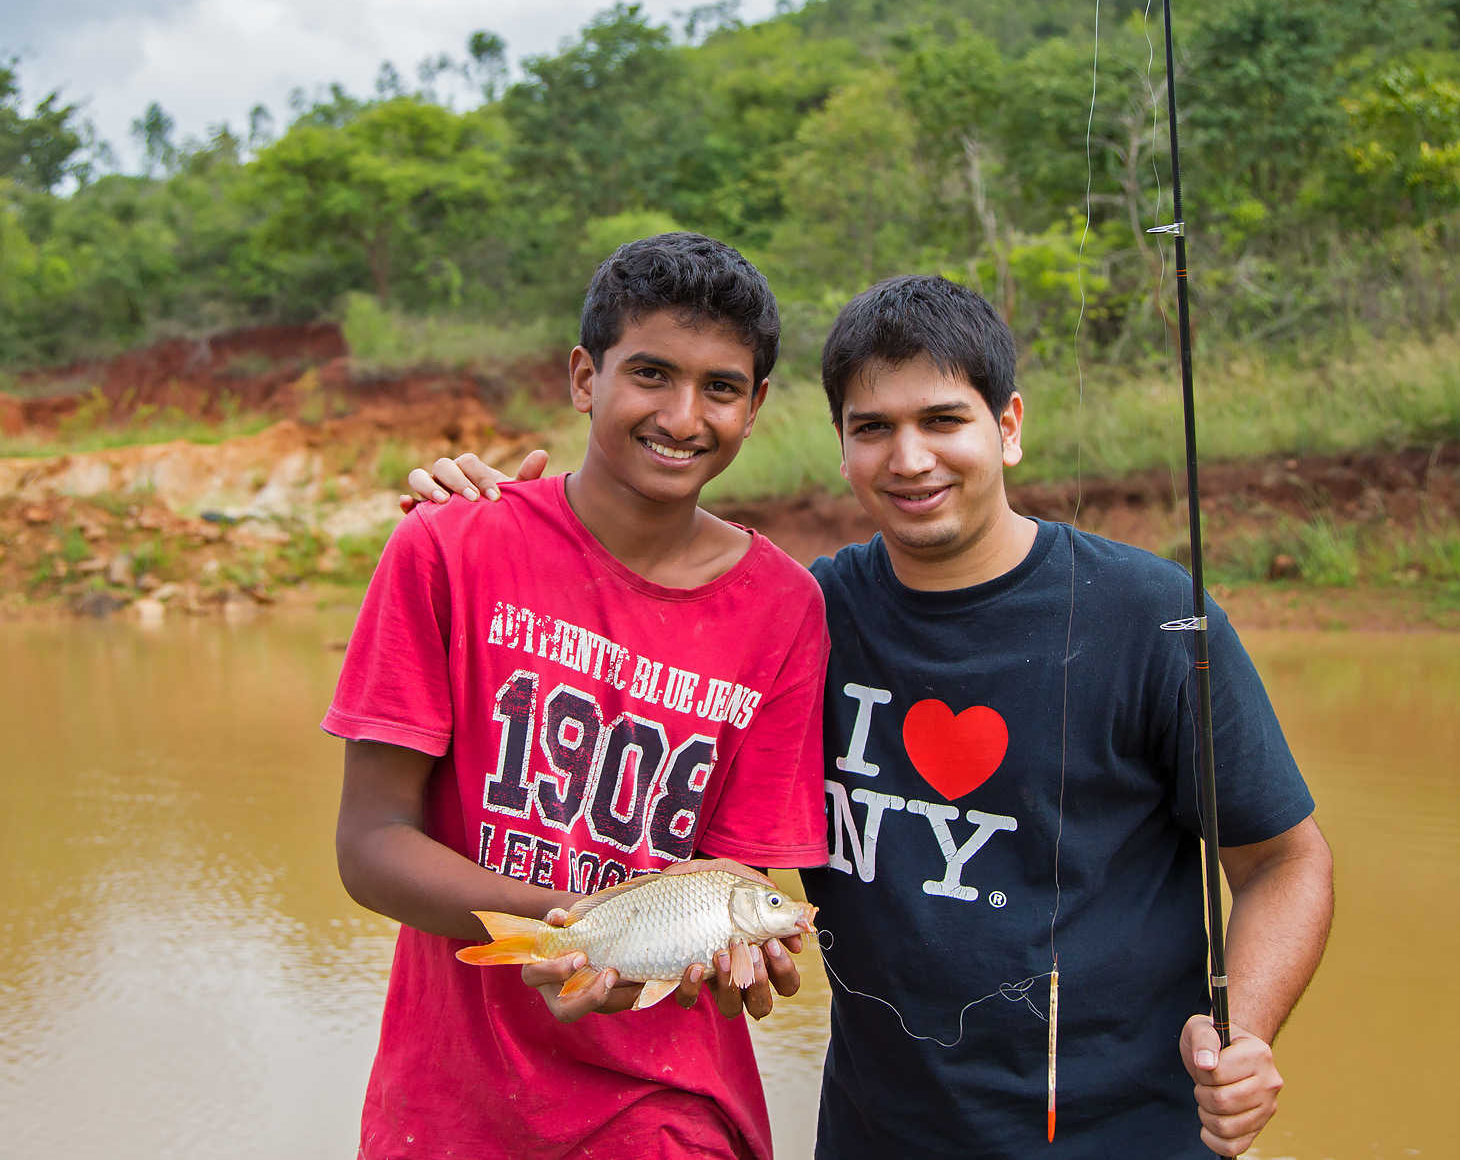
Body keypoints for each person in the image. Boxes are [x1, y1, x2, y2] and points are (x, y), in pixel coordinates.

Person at [405, 273, 1334, 1159]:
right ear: (841, 444)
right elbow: (668, 768)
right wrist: (491, 522)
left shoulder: (1154, 619)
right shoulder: (804, 618)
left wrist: (1243, 1035)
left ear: (1008, 426)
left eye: (943, 420)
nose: (911, 458)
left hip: (1123, 1135)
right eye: (873, 428)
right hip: (874, 1132)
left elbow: (1284, 861)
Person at [328, 231, 831, 1160]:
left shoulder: (784, 609)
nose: (683, 416)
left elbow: (733, 888)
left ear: (755, 406)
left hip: (671, 1112)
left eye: (721, 387)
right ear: (583, 377)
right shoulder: (449, 545)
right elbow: (369, 847)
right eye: (650, 373)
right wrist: (564, 924)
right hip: (450, 1112)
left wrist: (733, 961)